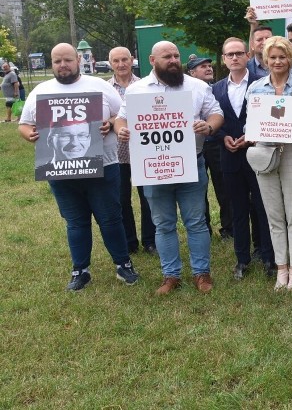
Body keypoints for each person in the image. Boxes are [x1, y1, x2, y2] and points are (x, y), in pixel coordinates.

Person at [19, 43, 139, 291]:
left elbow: (122, 115)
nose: (62, 65)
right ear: (52, 64)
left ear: (78, 60)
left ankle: (123, 264)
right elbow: (25, 124)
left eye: (67, 60)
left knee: (111, 218)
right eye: (57, 61)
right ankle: (80, 270)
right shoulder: (40, 91)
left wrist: (110, 123)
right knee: (75, 222)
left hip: (104, 165)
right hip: (60, 170)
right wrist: (28, 135)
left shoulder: (100, 86)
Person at [116, 41, 224, 296]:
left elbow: (216, 114)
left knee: (196, 221)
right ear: (153, 60)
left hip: (191, 162)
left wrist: (208, 127)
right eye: (167, 57)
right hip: (153, 166)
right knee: (163, 224)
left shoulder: (197, 86)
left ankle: (201, 273)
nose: (174, 60)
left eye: (176, 56)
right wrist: (121, 128)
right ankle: (170, 275)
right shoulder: (136, 90)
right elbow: (122, 117)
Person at [246, 36, 292, 291]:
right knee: (274, 214)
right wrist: (249, 132)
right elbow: (248, 123)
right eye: (273, 57)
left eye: (282, 56)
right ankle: (281, 268)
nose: (278, 61)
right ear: (265, 60)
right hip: (264, 152)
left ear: (290, 59)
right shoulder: (255, 88)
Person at [212, 37, 275, 280]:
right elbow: (212, 118)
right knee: (237, 210)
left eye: (239, 53)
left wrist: (251, 136)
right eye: (230, 54)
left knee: (262, 207)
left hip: (258, 153)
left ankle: (268, 256)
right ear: (224, 59)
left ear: (247, 56)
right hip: (229, 156)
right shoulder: (215, 88)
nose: (235, 57)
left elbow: (270, 116)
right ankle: (242, 259)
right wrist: (222, 137)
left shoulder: (262, 84)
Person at [108, 46, 155, 255]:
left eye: (124, 59)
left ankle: (150, 241)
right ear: (110, 64)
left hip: (144, 150)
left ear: (132, 60)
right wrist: (112, 122)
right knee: (121, 199)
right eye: (116, 61)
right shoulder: (104, 89)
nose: (121, 64)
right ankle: (129, 242)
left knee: (148, 197)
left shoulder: (145, 86)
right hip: (116, 153)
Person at [187, 56, 232, 239]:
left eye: (209, 66)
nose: (208, 68)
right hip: (193, 146)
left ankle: (229, 228)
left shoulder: (219, 89)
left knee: (223, 187)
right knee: (198, 189)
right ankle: (203, 227)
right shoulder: (184, 90)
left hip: (215, 143)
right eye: (202, 67)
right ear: (191, 72)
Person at [245, 7, 273, 77]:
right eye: (259, 39)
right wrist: (253, 25)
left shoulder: (290, 66)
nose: (264, 42)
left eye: (267, 38)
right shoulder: (244, 68)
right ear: (252, 45)